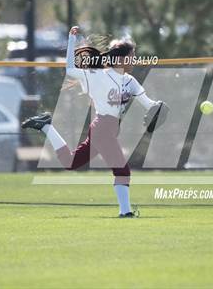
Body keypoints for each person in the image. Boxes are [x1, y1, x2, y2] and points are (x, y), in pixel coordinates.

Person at [21, 26, 168, 218]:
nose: (134, 59)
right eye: (132, 55)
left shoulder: (130, 81)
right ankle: (126, 212)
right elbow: (70, 69)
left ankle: (46, 125)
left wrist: (158, 106)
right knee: (122, 170)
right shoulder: (98, 75)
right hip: (102, 128)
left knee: (70, 162)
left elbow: (148, 104)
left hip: (108, 130)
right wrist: (72, 40)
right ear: (120, 58)